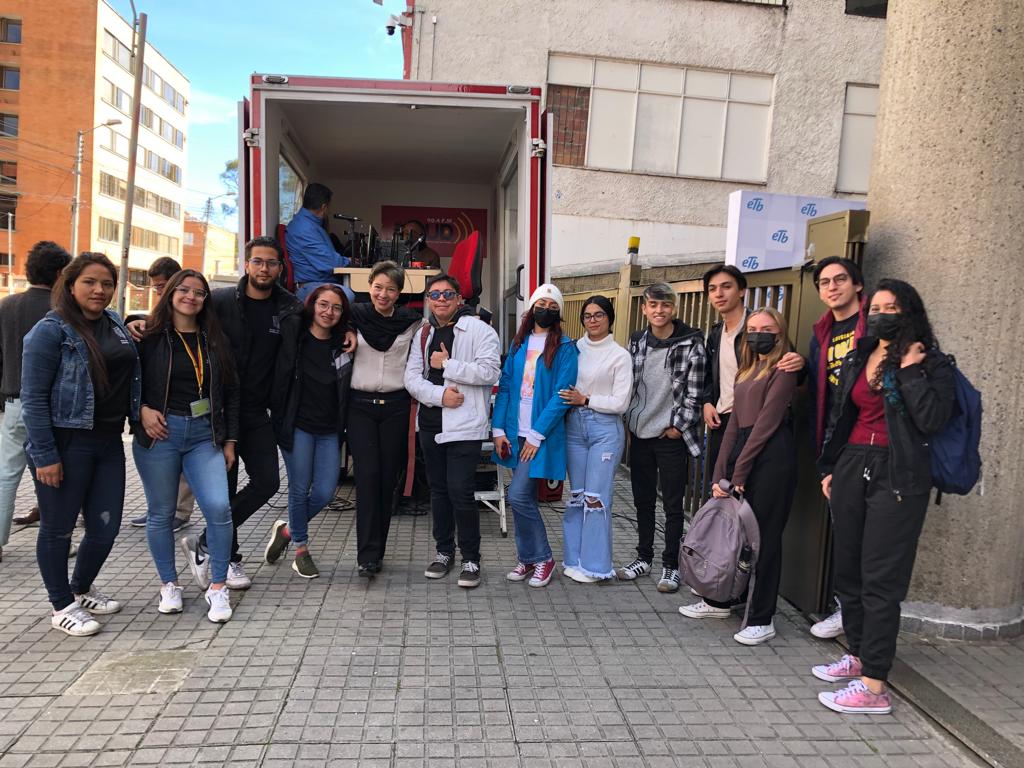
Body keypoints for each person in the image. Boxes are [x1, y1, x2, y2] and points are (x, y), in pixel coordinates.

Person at [814, 279, 954, 715]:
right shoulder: (862, 353)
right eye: (875, 307)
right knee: (850, 571)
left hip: (898, 473)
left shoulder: (931, 362)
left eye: (891, 307)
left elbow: (932, 419)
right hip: (854, 465)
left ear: (909, 312)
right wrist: (832, 466)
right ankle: (857, 655)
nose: (880, 314)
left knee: (880, 579)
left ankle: (874, 687)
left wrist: (910, 370)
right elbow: (844, 413)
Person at [21, 253, 140, 636]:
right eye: (90, 282)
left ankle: (81, 588)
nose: (99, 290)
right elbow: (33, 398)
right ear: (70, 285)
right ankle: (61, 606)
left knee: (106, 527)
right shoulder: (50, 331)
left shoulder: (116, 323)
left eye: (106, 283)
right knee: (58, 529)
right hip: (65, 442)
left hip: (108, 441)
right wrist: (45, 456)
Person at [175, 238, 304, 591]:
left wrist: (348, 333)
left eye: (272, 263)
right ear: (246, 264)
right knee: (226, 485)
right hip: (218, 410)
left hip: (257, 410)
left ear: (281, 267)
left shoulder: (290, 307)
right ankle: (227, 559)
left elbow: (321, 328)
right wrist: (137, 322)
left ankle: (203, 541)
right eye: (258, 262)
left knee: (268, 481)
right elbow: (177, 320)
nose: (264, 269)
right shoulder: (218, 302)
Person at [679, 308, 798, 646]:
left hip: (772, 457)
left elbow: (765, 426)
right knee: (735, 536)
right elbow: (733, 424)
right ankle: (719, 600)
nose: (759, 333)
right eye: (754, 328)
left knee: (764, 539)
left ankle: (762, 618)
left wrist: (740, 471)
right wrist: (720, 473)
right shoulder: (747, 368)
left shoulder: (783, 369)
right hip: (743, 451)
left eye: (767, 328)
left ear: (780, 332)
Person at [132, 269, 239, 623]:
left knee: (219, 508)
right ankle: (169, 584)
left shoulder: (215, 339)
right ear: (171, 293)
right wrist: (141, 412)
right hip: (160, 432)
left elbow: (231, 392)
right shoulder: (147, 336)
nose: (191, 297)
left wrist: (229, 439)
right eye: (184, 290)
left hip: (204, 435)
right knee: (162, 513)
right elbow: (126, 384)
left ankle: (218, 587)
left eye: (199, 292)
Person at [404, 273, 500, 588]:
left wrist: (449, 366)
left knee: (460, 491)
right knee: (439, 491)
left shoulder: (480, 330)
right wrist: (440, 396)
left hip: (465, 427)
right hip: (431, 423)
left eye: (448, 294)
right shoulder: (423, 333)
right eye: (435, 295)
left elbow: (490, 372)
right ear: (428, 300)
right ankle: (444, 552)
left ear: (460, 299)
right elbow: (412, 378)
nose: (441, 300)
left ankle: (471, 558)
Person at [617, 283, 705, 593]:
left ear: (674, 308)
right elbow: (629, 385)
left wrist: (677, 427)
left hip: (670, 437)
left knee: (672, 505)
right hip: (640, 434)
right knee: (642, 501)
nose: (659, 310)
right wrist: (628, 420)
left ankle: (671, 565)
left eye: (665, 305)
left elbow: (695, 394)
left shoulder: (691, 343)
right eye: (653, 305)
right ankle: (643, 557)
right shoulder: (638, 341)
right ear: (644, 309)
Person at [264, 285, 353, 579]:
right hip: (297, 425)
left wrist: (351, 329)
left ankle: (288, 530)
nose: (329, 312)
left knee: (326, 492)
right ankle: (300, 549)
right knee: (299, 490)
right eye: (323, 305)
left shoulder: (342, 345)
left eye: (336, 307)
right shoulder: (294, 336)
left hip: (329, 429)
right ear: (312, 305)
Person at [492, 284, 578, 589]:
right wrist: (499, 429)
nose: (547, 309)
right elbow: (504, 387)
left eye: (553, 306)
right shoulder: (519, 344)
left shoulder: (566, 348)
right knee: (522, 498)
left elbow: (561, 396)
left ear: (559, 313)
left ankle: (543, 557)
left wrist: (536, 435)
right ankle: (527, 558)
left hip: (539, 436)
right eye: (541, 303)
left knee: (516, 495)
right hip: (515, 434)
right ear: (531, 308)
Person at [347, 260, 421, 577]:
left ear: (399, 292)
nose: (383, 294)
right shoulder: (353, 316)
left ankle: (377, 553)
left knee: (387, 479)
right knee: (367, 478)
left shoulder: (412, 323)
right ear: (369, 286)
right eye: (378, 287)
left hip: (396, 405)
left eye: (391, 288)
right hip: (360, 405)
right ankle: (366, 555)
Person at [806, 255, 868, 640]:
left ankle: (857, 618)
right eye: (825, 282)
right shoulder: (823, 331)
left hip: (871, 444)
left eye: (839, 279)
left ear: (857, 284)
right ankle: (846, 610)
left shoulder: (872, 326)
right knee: (845, 533)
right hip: (835, 444)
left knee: (864, 539)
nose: (832, 287)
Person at [0, 241, 71, 556]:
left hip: (13, 402)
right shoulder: (62, 310)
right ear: (59, 273)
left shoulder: (6, 305)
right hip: (54, 408)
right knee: (55, 473)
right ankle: (59, 540)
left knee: (6, 473)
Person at [557, 296, 631, 583]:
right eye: (587, 315)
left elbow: (621, 402)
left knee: (596, 498)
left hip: (604, 429)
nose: (593, 320)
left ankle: (596, 565)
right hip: (574, 426)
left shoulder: (619, 355)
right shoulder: (573, 349)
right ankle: (573, 558)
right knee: (576, 496)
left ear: (609, 318)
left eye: (599, 314)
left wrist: (586, 399)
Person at [129, 256, 195, 533]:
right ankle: (160, 508)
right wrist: (131, 321)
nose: (158, 292)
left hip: (191, 407)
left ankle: (180, 511)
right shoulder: (157, 313)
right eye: (156, 287)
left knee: (185, 464)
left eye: (161, 286)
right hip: (159, 404)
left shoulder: (195, 307)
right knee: (161, 460)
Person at [285, 183, 350, 302]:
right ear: (324, 207)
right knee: (349, 296)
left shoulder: (310, 225)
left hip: (321, 282)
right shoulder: (304, 228)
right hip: (310, 285)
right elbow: (332, 264)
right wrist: (348, 261)